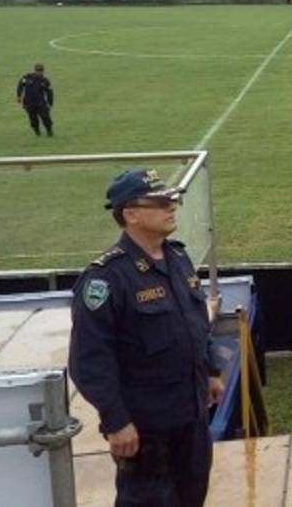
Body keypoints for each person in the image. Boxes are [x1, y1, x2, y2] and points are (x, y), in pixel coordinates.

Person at [69, 168, 225, 507]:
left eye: (172, 200)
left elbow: (196, 322)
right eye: (160, 202)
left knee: (191, 495)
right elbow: (89, 360)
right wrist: (116, 421)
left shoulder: (178, 258)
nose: (172, 207)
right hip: (146, 428)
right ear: (131, 214)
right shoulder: (106, 279)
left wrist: (212, 370)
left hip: (191, 416)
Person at [16, 63, 54, 137]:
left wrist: (50, 103)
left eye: (41, 71)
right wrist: (19, 96)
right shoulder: (27, 78)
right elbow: (20, 85)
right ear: (35, 71)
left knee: (45, 117)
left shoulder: (44, 81)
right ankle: (37, 132)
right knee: (33, 119)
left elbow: (49, 92)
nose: (40, 73)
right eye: (38, 71)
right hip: (29, 102)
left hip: (41, 103)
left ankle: (49, 131)